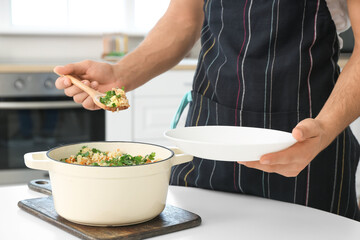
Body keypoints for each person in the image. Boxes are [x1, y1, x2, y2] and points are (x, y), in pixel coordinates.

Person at [55, 0, 360, 221]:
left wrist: (324, 129)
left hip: (305, 140)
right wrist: (120, 75)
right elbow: (183, 19)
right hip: (207, 139)